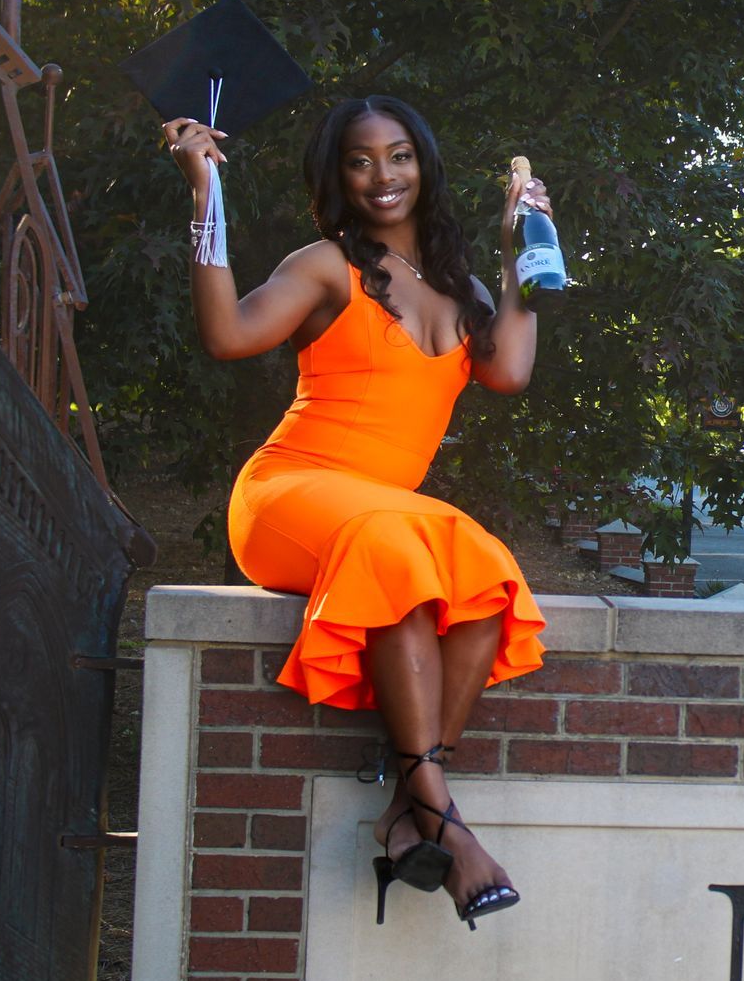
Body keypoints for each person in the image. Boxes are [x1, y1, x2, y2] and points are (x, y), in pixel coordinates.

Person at [163, 96, 549, 930]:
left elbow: (509, 371)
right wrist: (204, 196)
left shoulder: (464, 288)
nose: (384, 176)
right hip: (288, 495)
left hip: (380, 519)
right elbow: (228, 335)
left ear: (425, 166)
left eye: (400, 156)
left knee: (481, 565)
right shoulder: (326, 265)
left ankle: (406, 811)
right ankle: (442, 818)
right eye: (361, 160)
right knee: (397, 539)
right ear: (339, 175)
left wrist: (525, 257)